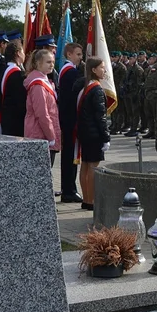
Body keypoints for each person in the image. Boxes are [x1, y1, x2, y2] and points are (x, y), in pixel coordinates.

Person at [75, 58, 111, 211]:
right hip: (94, 134)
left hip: (84, 132)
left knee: (85, 165)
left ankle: (86, 199)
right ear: (94, 70)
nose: (105, 70)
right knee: (93, 168)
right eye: (102, 68)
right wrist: (106, 138)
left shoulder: (85, 86)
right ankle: (91, 201)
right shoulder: (96, 89)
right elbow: (100, 116)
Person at [58, 43, 85, 203]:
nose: (81, 58)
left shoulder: (67, 71)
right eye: (78, 54)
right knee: (70, 156)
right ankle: (69, 190)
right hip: (70, 120)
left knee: (69, 156)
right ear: (69, 54)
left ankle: (68, 188)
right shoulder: (70, 73)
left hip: (67, 119)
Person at [25, 49, 61, 167]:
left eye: (53, 62)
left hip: (44, 134)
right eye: (48, 62)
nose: (52, 65)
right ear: (38, 64)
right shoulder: (38, 85)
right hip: (40, 135)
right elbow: (42, 114)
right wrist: (51, 136)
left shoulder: (45, 81)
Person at [0, 42, 27, 136]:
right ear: (18, 53)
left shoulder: (5, 69)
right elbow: (20, 101)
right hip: (15, 121)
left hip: (6, 117)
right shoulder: (17, 75)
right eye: (23, 51)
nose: (24, 54)